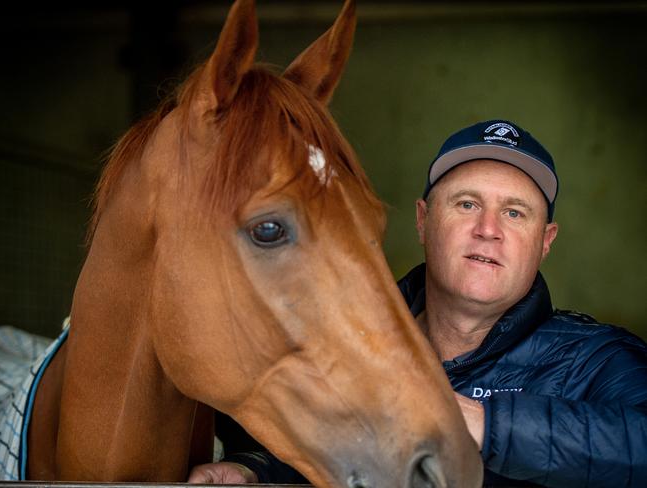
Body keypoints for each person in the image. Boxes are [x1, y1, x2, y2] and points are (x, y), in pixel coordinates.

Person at [188, 119, 647, 487]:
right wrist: (256, 472)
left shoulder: (595, 359)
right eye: (467, 204)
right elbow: (331, 449)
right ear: (423, 222)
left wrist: (482, 425)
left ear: (545, 242)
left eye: (514, 212)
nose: (489, 228)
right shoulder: (350, 350)